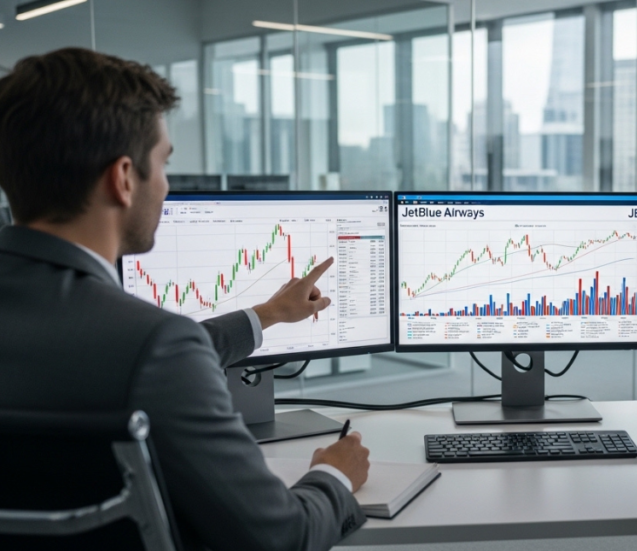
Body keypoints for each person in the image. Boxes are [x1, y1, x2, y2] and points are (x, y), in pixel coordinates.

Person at [0, 48, 370, 550]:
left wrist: (266, 316)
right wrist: (334, 477)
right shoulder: (155, 346)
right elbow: (280, 537)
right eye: (164, 164)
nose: (168, 186)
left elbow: (142, 355)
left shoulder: (148, 347)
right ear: (124, 178)